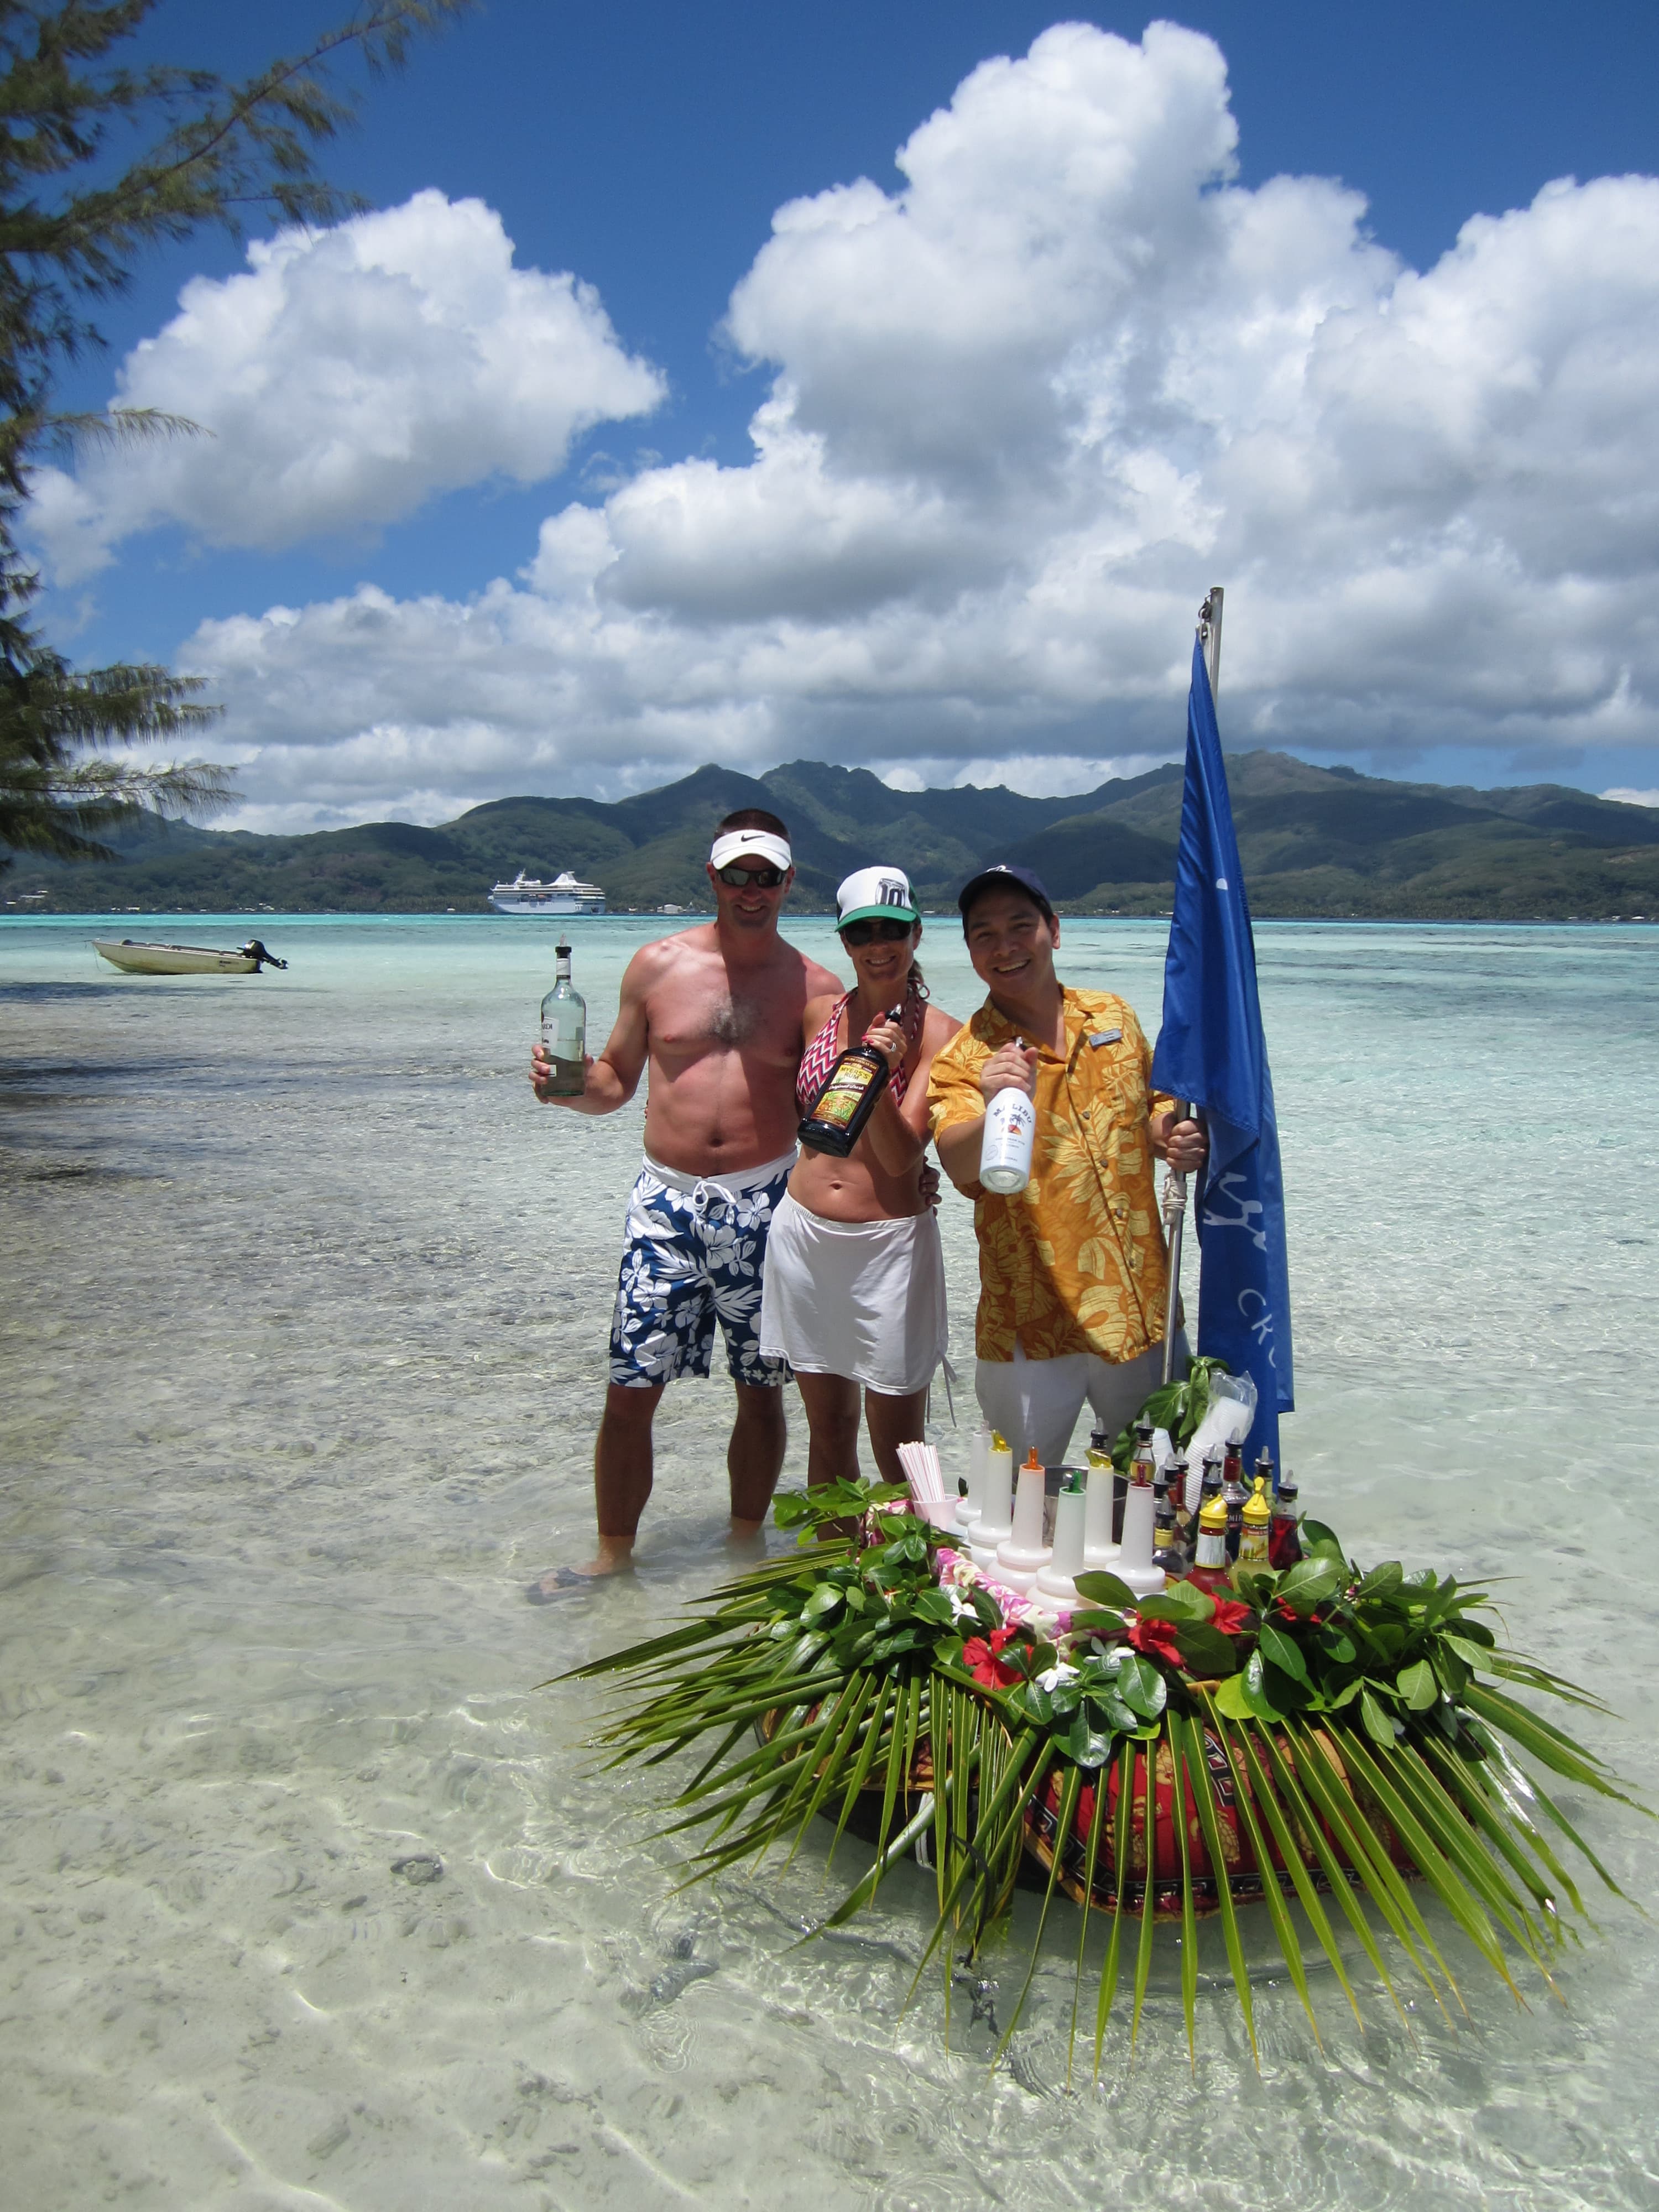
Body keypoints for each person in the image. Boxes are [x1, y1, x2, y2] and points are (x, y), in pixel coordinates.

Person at [526, 808, 842, 1592]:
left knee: (760, 1390)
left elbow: (838, 1113)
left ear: (788, 882)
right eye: (737, 875)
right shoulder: (656, 967)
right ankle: (613, 1558)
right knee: (631, 1388)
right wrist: (565, 1090)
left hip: (765, 1202)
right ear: (712, 878)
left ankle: (743, 1548)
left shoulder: (814, 987)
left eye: (767, 876)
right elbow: (612, 1084)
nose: (752, 890)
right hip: (664, 1207)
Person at [927, 863, 1208, 1468]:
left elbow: (1154, 1107)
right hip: (1032, 1327)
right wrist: (997, 1098)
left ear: (1054, 930)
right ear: (971, 951)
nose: (1005, 947)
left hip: (1141, 1310)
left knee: (1154, 1489)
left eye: (1020, 926)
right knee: (1017, 1506)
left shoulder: (1114, 1017)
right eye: (984, 935)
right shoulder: (965, 1055)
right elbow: (956, 1160)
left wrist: (1172, 1135)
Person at [758, 867, 961, 1488]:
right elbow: (793, 1115)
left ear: (917, 933)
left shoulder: (943, 1035)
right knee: (830, 1431)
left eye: (894, 929)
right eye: (864, 932)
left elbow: (903, 1157)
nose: (880, 945)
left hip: (888, 1250)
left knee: (903, 1447)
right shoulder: (818, 1012)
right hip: (804, 1237)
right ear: (845, 942)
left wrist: (873, 1069)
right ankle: (830, 1576)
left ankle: (913, 1579)